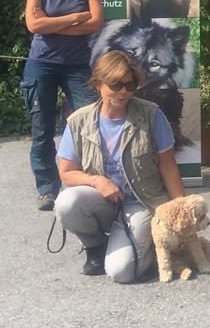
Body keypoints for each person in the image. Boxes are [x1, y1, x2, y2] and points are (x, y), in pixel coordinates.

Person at [54, 51, 185, 282]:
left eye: (130, 84)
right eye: (115, 84)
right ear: (98, 85)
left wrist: (179, 214)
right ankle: (95, 245)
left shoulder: (151, 114)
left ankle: (146, 249)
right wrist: (97, 181)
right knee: (66, 203)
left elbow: (168, 167)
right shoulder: (78, 121)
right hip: (102, 200)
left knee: (121, 273)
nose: (123, 91)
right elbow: (66, 174)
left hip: (141, 202)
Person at [22, 0, 103, 211]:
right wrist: (73, 18)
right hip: (41, 63)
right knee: (42, 129)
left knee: (88, 124)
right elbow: (33, 26)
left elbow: (95, 23)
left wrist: (51, 22)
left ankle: (89, 181)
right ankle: (47, 190)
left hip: (77, 65)